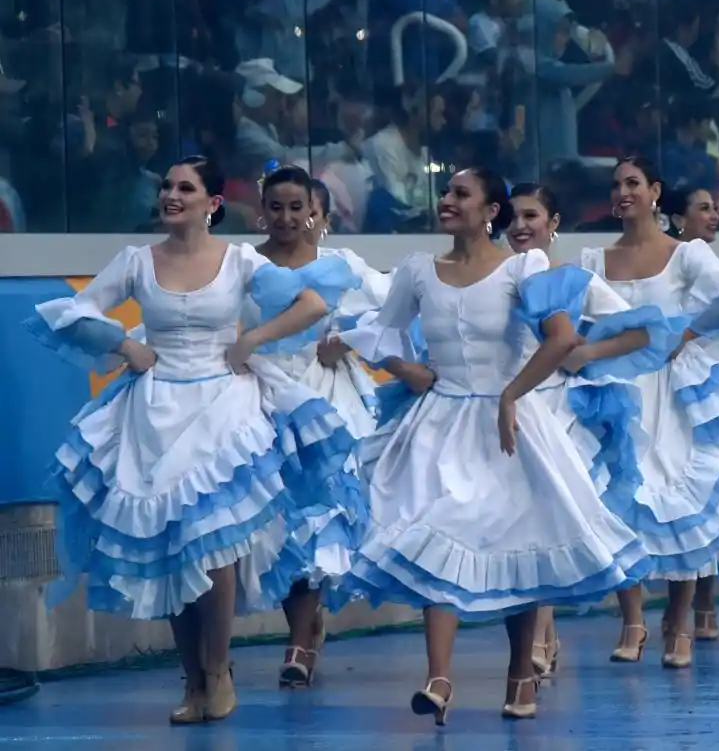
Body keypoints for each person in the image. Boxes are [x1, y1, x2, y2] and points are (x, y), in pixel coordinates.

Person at [23, 155, 359, 724]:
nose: (172, 194)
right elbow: (73, 310)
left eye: (185, 187)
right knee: (169, 541)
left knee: (212, 540)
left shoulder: (239, 260)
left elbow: (312, 302)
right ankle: (194, 677)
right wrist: (125, 346)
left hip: (221, 401)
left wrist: (251, 340)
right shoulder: (136, 261)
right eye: (166, 186)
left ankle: (218, 668)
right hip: (154, 405)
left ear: (212, 202)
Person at [334, 166, 663, 722]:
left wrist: (511, 395)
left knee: (519, 545)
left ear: (491, 212)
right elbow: (381, 333)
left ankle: (519, 672)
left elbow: (562, 337)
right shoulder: (419, 272)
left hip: (511, 426)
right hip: (438, 424)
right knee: (430, 530)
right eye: (445, 191)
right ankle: (439, 677)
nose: (447, 200)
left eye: (461, 194)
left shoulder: (523, 267)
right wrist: (409, 371)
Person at [579, 156, 719, 669]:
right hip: (617, 391)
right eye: (616, 185)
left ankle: (678, 619)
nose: (623, 191)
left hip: (674, 391)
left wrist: (687, 334)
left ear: (655, 192)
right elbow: (581, 325)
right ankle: (632, 618)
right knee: (614, 501)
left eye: (633, 183)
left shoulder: (688, 256)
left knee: (681, 500)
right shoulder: (592, 259)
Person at [505, 182, 682, 678]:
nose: (520, 226)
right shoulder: (498, 278)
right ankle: (543, 631)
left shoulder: (576, 280)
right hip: (515, 408)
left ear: (553, 223)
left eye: (532, 216)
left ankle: (608, 623)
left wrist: (585, 352)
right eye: (513, 217)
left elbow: (640, 330)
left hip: (567, 410)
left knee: (568, 512)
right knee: (528, 518)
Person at [244, 162, 392, 687]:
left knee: (318, 513)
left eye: (296, 207)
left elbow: (390, 307)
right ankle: (303, 626)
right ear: (262, 212)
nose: (286, 217)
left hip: (324, 396)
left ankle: (300, 641)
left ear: (314, 213)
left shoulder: (340, 263)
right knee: (278, 520)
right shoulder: (242, 263)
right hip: (260, 396)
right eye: (276, 207)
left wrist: (345, 341)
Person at [657, 183, 719, 640]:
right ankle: (675, 607)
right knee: (676, 484)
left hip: (709, 377)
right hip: (672, 375)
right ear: (679, 217)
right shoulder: (677, 257)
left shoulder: (704, 259)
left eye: (714, 207)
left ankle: (703, 601)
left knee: (709, 489)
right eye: (703, 208)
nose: (714, 215)